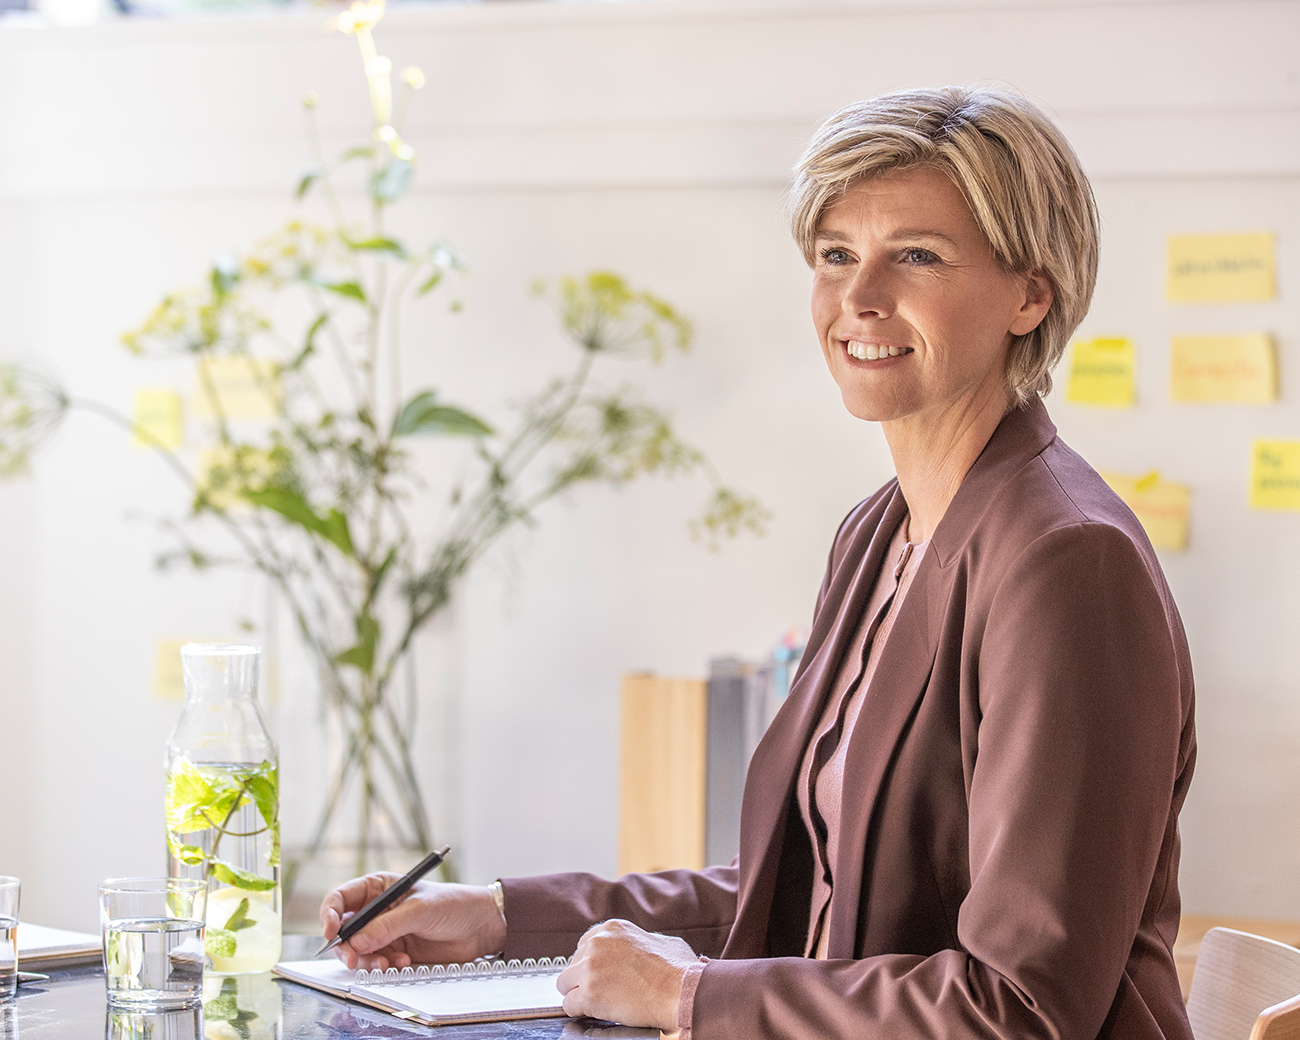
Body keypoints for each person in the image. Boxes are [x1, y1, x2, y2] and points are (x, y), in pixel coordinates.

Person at [320, 87, 1197, 1040]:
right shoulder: (881, 533)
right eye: (834, 255)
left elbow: (1024, 1008)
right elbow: (819, 883)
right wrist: (498, 915)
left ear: (1032, 292)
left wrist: (688, 996)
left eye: (917, 255)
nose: (859, 297)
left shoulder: (1067, 563)